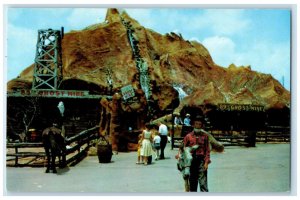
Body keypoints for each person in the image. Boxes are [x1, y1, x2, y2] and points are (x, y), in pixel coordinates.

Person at [183, 116, 211, 192]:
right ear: (193, 125)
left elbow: (207, 150)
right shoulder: (188, 136)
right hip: (191, 162)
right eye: (196, 124)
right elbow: (184, 149)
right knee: (192, 184)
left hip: (201, 161)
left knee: (203, 184)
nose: (198, 126)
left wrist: (206, 162)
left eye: (200, 124)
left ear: (202, 126)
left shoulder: (205, 136)